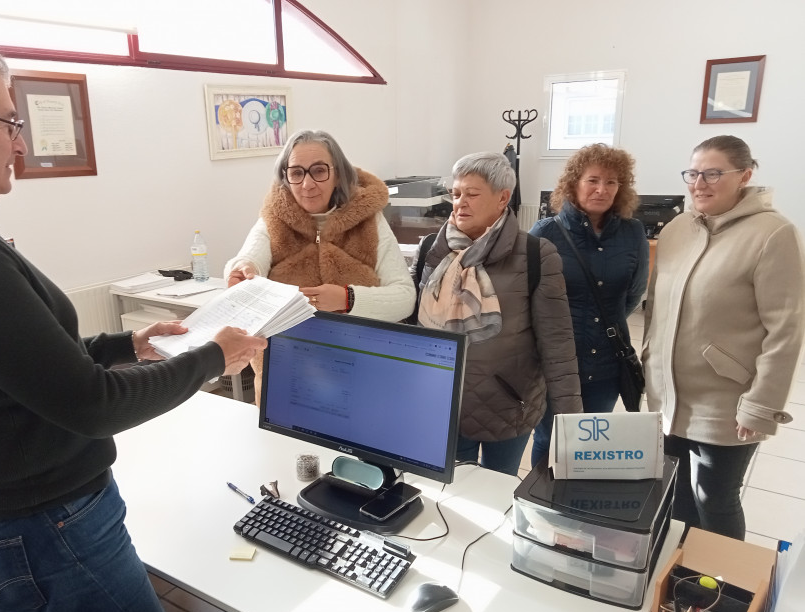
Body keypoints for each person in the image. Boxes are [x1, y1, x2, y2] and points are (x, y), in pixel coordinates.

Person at [0, 23, 267, 612]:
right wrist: (217, 356)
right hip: (45, 526)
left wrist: (123, 341)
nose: (19, 143)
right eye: (9, 120)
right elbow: (90, 405)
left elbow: (12, 361)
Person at [643, 135, 805, 539]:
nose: (700, 182)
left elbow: (785, 329)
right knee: (677, 493)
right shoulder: (678, 227)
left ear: (745, 176)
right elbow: (656, 309)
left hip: (727, 399)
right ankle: (679, 579)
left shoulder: (773, 234)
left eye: (713, 173)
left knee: (714, 496)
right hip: (671, 394)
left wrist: (761, 405)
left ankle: (724, 589)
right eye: (693, 173)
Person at [416, 151, 582, 476]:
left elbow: (558, 344)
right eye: (456, 193)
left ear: (502, 198)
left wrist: (570, 424)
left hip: (509, 406)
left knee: (500, 498)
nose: (460, 202)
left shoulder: (536, 255)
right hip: (443, 404)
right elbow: (411, 329)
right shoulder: (432, 250)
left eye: (472, 194)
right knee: (451, 496)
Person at [224, 129, 415, 394]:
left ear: (337, 174)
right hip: (285, 372)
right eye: (296, 172)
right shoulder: (273, 219)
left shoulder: (370, 222)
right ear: (286, 177)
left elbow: (405, 297)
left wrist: (348, 299)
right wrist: (242, 270)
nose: (307, 184)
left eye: (319, 170)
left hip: (357, 370)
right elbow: (249, 258)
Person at [529, 144, 648, 467]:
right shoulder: (545, 232)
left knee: (589, 442)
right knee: (549, 438)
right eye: (593, 180)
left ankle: (574, 509)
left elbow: (634, 294)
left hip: (608, 363)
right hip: (557, 363)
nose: (602, 189)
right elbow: (530, 299)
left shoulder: (633, 233)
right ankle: (540, 507)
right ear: (573, 184)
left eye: (611, 182)